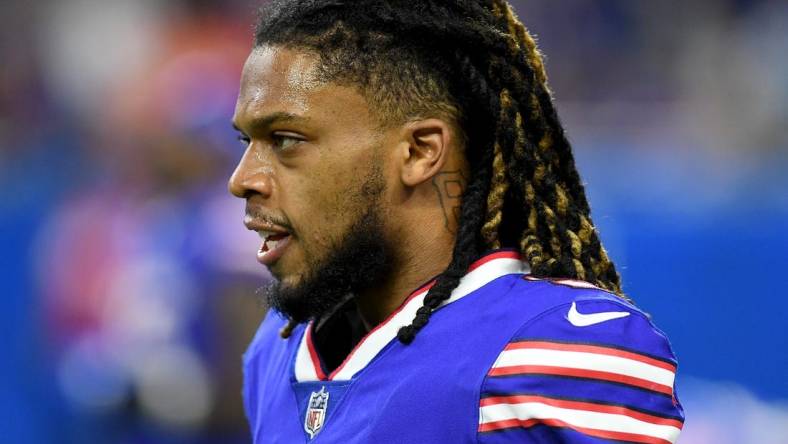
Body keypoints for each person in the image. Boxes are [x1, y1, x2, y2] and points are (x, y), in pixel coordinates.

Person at [228, 0, 685, 442]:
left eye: (285, 139)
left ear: (420, 151)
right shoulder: (276, 348)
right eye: (247, 140)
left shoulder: (552, 350)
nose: (242, 179)